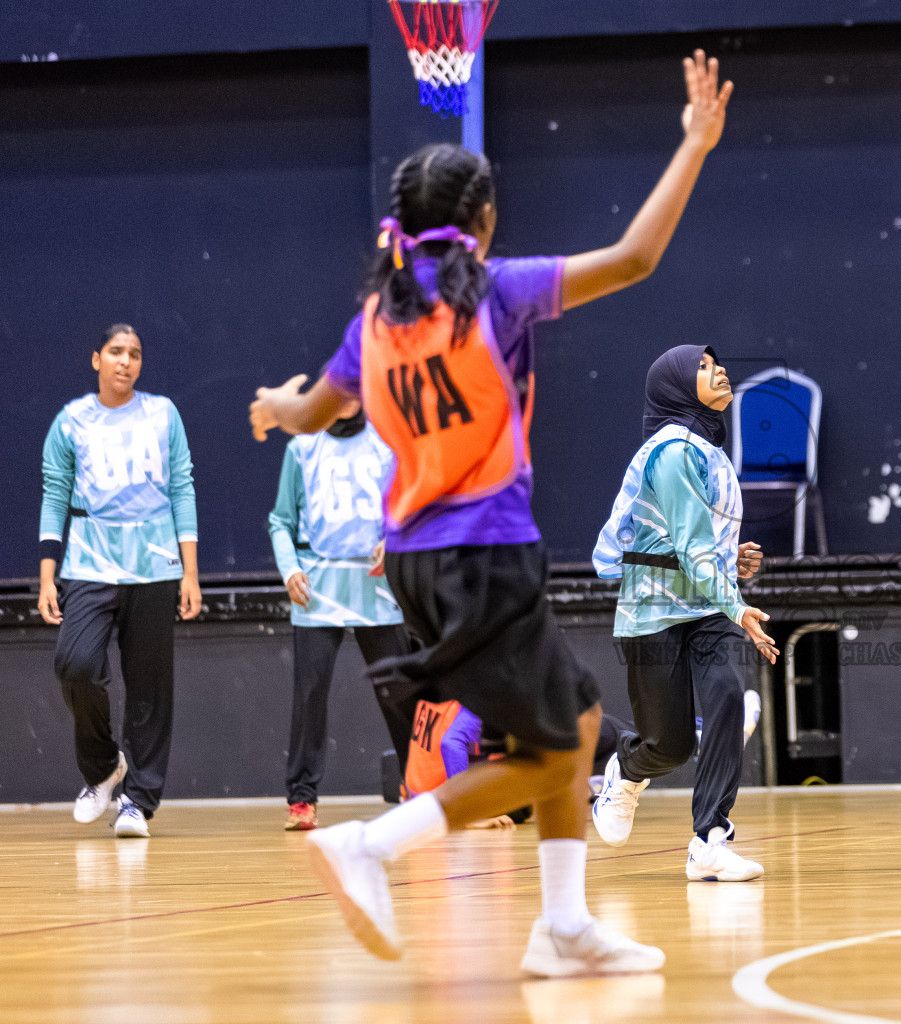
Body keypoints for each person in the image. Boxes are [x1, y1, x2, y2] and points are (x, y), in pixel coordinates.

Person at [247, 50, 734, 975]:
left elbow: (311, 413)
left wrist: (275, 403)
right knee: (557, 752)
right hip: (484, 555)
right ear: (484, 220)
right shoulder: (500, 292)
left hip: (419, 565)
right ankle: (374, 846)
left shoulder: (373, 320)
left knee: (577, 726)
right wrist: (695, 144)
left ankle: (563, 928)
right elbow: (635, 257)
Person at [590, 346, 778, 882]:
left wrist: (733, 564)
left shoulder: (711, 452)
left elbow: (699, 544)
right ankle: (626, 770)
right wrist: (738, 604)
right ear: (675, 387)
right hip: (653, 614)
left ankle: (710, 840)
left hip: (705, 610)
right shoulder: (673, 452)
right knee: (668, 746)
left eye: (716, 362)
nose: (719, 369)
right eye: (702, 365)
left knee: (726, 701)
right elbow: (691, 549)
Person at [38, 324, 201, 839]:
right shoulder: (72, 421)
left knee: (150, 688)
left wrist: (190, 570)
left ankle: (139, 802)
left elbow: (182, 486)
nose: (125, 361)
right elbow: (54, 493)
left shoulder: (163, 414)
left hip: (155, 566)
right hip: (89, 565)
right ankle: (105, 767)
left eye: (134, 353)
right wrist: (48, 573)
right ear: (96, 360)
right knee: (76, 665)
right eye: (115, 352)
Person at [269, 402, 418, 831]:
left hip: (376, 586)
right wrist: (290, 568)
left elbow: (411, 506)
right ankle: (302, 798)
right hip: (318, 586)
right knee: (310, 695)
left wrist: (395, 538)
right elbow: (280, 520)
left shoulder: (387, 445)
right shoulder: (302, 448)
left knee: (398, 690)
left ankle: (417, 784)